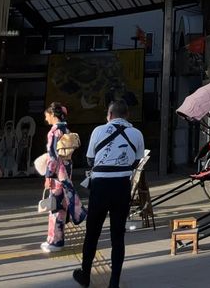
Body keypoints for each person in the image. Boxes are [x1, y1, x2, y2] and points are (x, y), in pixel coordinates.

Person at [72, 100, 144, 288]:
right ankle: (114, 282)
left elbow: (90, 159)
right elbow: (137, 161)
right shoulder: (137, 133)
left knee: (92, 233)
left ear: (109, 115)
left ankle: (85, 275)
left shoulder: (98, 131)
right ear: (127, 115)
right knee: (117, 236)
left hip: (100, 186)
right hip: (122, 186)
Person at [43, 103, 70, 253]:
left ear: (53, 115)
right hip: (66, 171)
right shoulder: (66, 129)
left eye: (47, 115)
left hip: (56, 173)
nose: (46, 118)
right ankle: (54, 238)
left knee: (55, 206)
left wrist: (48, 175)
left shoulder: (54, 131)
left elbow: (52, 156)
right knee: (62, 205)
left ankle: (56, 240)